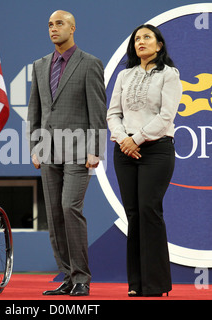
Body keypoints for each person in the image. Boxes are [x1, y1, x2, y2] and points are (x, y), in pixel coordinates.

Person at [27, 10, 107, 296]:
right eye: (49, 24)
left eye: (59, 23)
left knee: (69, 208)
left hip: (78, 150)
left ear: (73, 27)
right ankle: (68, 276)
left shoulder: (90, 64)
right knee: (54, 214)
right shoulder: (39, 65)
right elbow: (34, 110)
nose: (53, 28)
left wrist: (96, 149)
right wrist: (34, 147)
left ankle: (82, 277)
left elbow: (98, 111)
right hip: (47, 151)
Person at [107, 24, 182, 297]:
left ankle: (156, 284)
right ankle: (136, 284)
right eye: (137, 39)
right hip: (125, 152)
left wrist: (135, 138)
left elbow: (166, 117)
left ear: (159, 45)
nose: (141, 42)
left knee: (149, 210)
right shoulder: (124, 76)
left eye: (147, 37)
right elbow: (112, 114)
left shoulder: (170, 75)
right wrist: (122, 139)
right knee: (133, 215)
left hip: (156, 150)